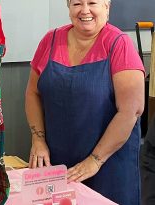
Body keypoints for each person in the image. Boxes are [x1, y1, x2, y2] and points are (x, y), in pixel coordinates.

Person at [25, 0, 144, 204]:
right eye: (77, 3)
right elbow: (32, 93)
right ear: (69, 7)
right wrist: (38, 140)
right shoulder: (50, 40)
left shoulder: (119, 44)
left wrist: (95, 161)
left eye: (92, 3)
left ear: (107, 7)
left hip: (109, 168)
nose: (84, 10)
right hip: (59, 165)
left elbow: (130, 111)